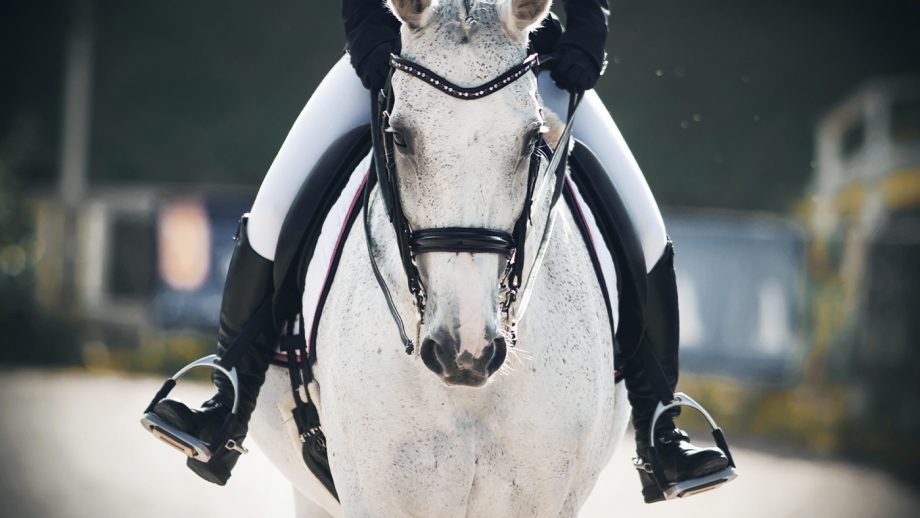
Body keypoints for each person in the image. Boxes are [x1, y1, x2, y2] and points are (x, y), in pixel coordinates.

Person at [150, 0, 729, 503]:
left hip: (527, 55)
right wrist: (367, 29)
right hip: (405, 46)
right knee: (274, 210)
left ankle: (658, 426)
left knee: (647, 230)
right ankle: (228, 401)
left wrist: (586, 31)